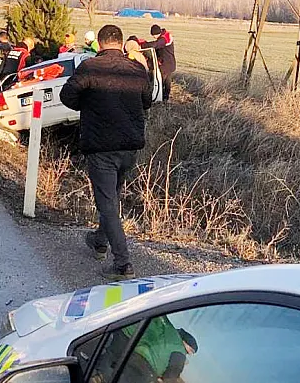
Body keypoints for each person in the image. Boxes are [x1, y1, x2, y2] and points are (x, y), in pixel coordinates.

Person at [60, 25, 152, 280]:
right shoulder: (137, 70)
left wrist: (88, 103)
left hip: (101, 146)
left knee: (107, 203)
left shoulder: (89, 67)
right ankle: (100, 240)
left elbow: (67, 96)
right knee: (111, 198)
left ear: (99, 44)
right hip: (130, 147)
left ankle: (123, 264)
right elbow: (147, 102)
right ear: (121, 44)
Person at [121, 319, 198, 383]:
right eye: (191, 350)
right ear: (185, 341)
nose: (190, 353)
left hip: (132, 354)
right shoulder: (180, 351)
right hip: (144, 371)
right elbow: (170, 377)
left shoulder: (167, 331)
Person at [141, 24, 176, 101]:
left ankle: (158, 98)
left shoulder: (163, 39)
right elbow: (156, 43)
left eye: (154, 35)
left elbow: (155, 44)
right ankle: (165, 98)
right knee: (167, 82)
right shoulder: (165, 36)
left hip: (165, 64)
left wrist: (143, 45)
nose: (153, 37)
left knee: (160, 81)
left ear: (156, 33)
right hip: (169, 63)